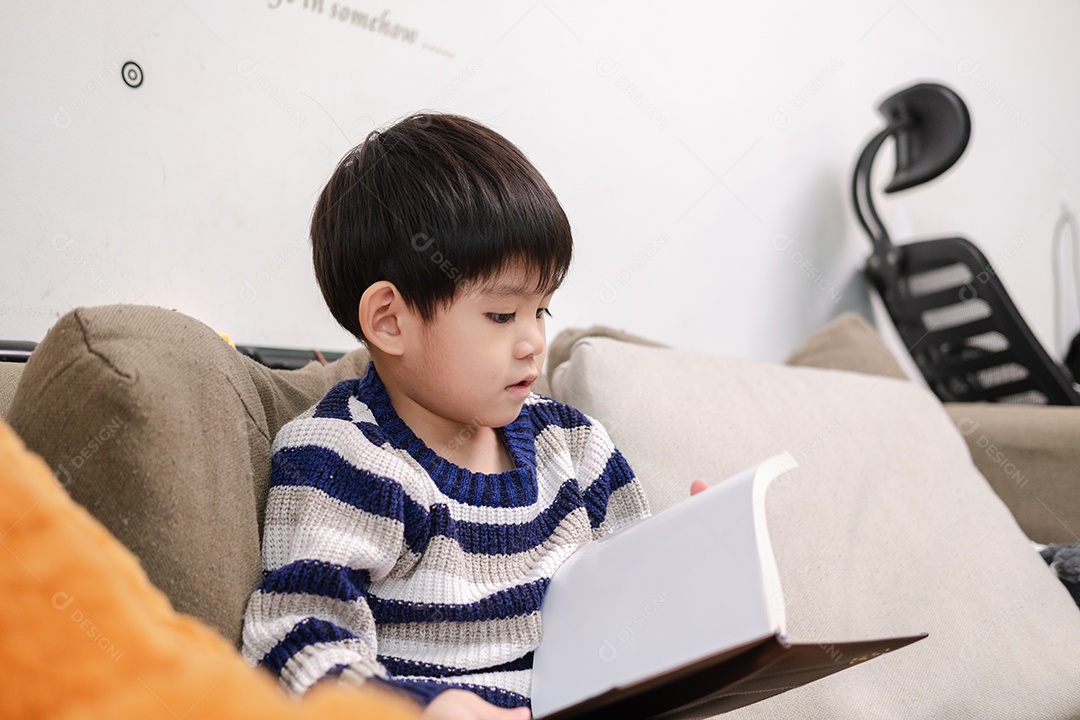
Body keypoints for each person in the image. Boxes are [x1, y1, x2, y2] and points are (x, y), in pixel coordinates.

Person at [241, 113, 696, 719]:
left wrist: (696, 557)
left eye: (543, 311)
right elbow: (294, 645)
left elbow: (635, 610)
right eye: (503, 316)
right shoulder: (344, 459)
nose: (533, 341)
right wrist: (429, 708)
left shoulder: (575, 448)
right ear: (390, 321)